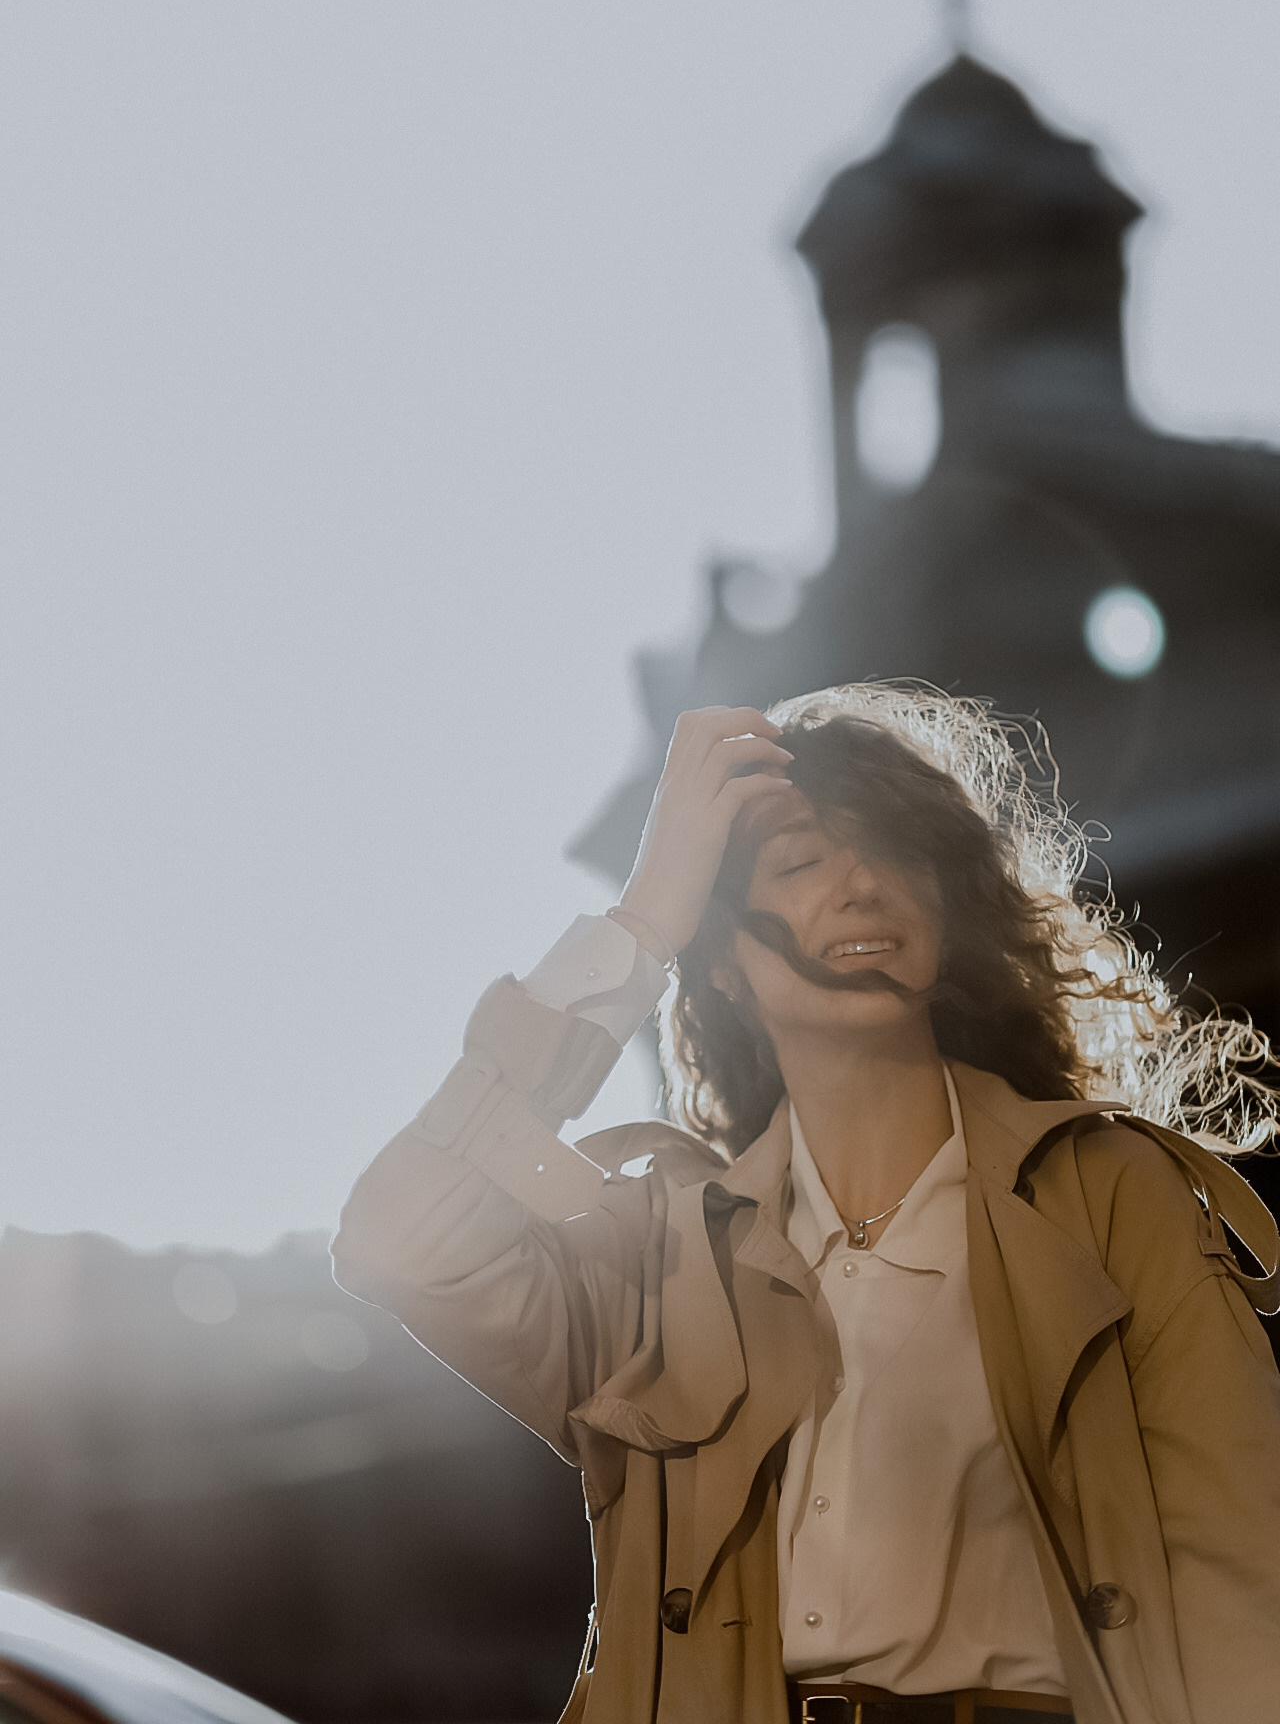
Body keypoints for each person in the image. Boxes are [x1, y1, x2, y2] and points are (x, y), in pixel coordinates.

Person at [333, 684, 1280, 1724]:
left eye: (895, 853)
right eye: (797, 865)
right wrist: (645, 918)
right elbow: (395, 1241)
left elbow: (1236, 1581)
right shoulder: (654, 1264)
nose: (862, 884)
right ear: (723, 968)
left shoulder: (1107, 1197)